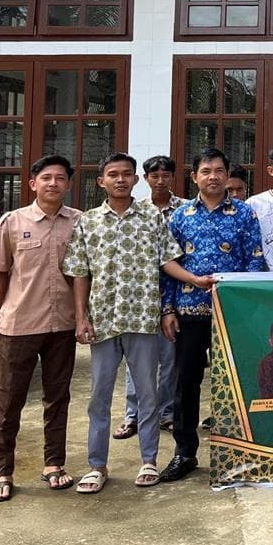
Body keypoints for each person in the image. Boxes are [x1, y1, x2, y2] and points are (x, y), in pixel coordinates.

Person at [62, 153, 184, 494]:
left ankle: (149, 460)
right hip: (102, 321)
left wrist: (192, 282)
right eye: (113, 174)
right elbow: (80, 272)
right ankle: (96, 466)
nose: (120, 179)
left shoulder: (153, 217)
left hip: (142, 318)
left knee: (148, 394)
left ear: (135, 179)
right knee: (98, 397)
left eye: (126, 174)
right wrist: (81, 317)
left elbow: (167, 263)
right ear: (101, 181)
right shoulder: (88, 221)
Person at [158, 148, 266, 482]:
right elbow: (167, 265)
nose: (213, 177)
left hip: (232, 313)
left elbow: (256, 260)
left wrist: (245, 302)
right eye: (206, 171)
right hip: (189, 311)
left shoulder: (244, 213)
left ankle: (240, 452)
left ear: (227, 174)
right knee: (186, 383)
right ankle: (185, 452)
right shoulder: (181, 217)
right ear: (194, 177)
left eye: (219, 170)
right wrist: (168, 309)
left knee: (235, 382)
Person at [0, 155, 81, 502]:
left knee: (58, 398)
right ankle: (3, 472)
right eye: (46, 177)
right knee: (9, 400)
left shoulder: (79, 223)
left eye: (60, 178)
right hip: (19, 324)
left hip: (62, 325)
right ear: (33, 183)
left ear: (68, 184)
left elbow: (84, 275)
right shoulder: (12, 222)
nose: (53, 183)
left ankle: (53, 464)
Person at [118, 154, 184, 441]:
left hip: (175, 291)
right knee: (137, 360)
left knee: (169, 359)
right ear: (145, 178)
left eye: (165, 175)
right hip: (138, 294)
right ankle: (133, 415)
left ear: (173, 177)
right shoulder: (136, 210)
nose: (160, 181)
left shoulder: (185, 209)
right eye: (154, 176)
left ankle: (166, 413)